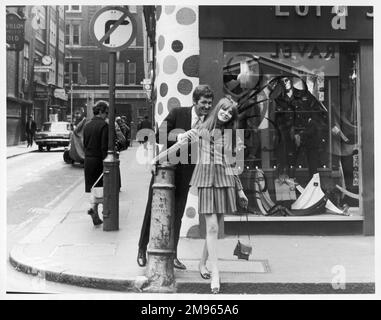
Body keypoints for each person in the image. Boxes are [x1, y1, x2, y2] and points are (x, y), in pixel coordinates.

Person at [153, 96, 248, 294]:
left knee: (214, 229)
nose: (226, 113)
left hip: (225, 182)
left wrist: (240, 190)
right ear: (217, 109)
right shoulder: (201, 129)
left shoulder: (232, 135)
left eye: (230, 112)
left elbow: (234, 165)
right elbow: (177, 147)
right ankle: (215, 273)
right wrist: (157, 159)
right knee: (212, 227)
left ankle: (202, 264)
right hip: (205, 181)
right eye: (223, 109)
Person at [137, 84, 214, 270]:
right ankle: (142, 249)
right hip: (165, 170)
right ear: (195, 102)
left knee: (177, 214)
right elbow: (159, 135)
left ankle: (173, 255)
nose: (207, 106)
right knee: (152, 210)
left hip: (186, 172)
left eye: (210, 103)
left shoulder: (209, 122)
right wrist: (181, 137)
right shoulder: (178, 113)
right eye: (203, 102)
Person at [274, 76, 328, 180]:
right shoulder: (279, 100)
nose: (285, 83)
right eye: (282, 81)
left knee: (313, 168)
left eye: (287, 80)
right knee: (290, 167)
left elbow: (318, 115)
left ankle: (314, 191)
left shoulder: (304, 95)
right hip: (290, 140)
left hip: (309, 137)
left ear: (291, 81)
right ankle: (291, 191)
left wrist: (303, 132)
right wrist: (288, 133)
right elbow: (278, 121)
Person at [83, 101, 109, 226]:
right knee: (103, 189)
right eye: (106, 113)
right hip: (99, 160)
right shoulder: (104, 125)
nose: (107, 116)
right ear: (100, 112)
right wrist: (106, 161)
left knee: (93, 189)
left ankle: (94, 211)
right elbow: (104, 147)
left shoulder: (87, 125)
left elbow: (85, 144)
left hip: (88, 161)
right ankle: (103, 213)